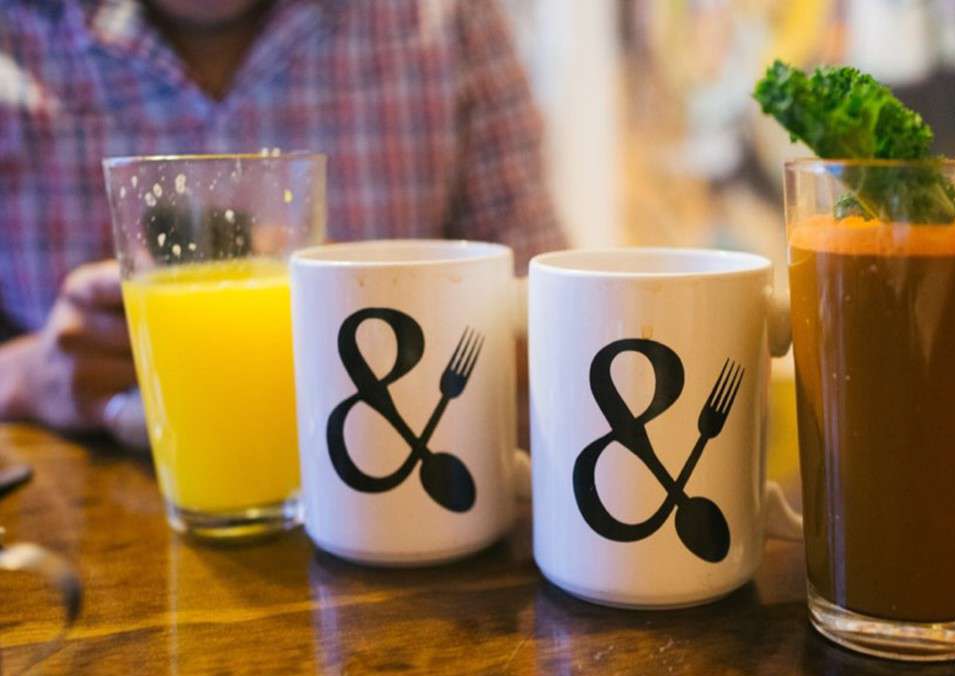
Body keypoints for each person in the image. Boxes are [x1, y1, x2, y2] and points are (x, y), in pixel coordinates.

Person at [0, 0, 564, 437]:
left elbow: (553, 323)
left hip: (384, 504)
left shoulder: (442, 19)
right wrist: (27, 376)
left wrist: (398, 317)